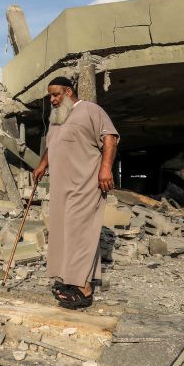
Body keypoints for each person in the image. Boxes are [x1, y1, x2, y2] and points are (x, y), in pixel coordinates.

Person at [32, 76, 119, 310]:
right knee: (64, 232)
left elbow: (110, 137)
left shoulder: (90, 110)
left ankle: (83, 288)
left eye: (56, 94)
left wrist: (105, 169)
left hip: (86, 183)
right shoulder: (57, 118)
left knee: (80, 231)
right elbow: (54, 145)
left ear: (68, 92)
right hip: (62, 186)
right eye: (50, 96)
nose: (52, 99)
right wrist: (42, 165)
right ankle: (69, 279)